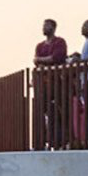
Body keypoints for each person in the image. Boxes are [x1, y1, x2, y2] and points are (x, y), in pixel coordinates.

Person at [34, 17, 69, 148]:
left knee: (59, 110)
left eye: (47, 25)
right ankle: (47, 141)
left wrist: (42, 60)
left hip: (57, 82)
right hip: (43, 84)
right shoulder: (40, 45)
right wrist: (43, 60)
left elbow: (57, 57)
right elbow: (36, 61)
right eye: (43, 25)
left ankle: (62, 140)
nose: (44, 28)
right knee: (44, 112)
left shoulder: (59, 42)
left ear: (53, 28)